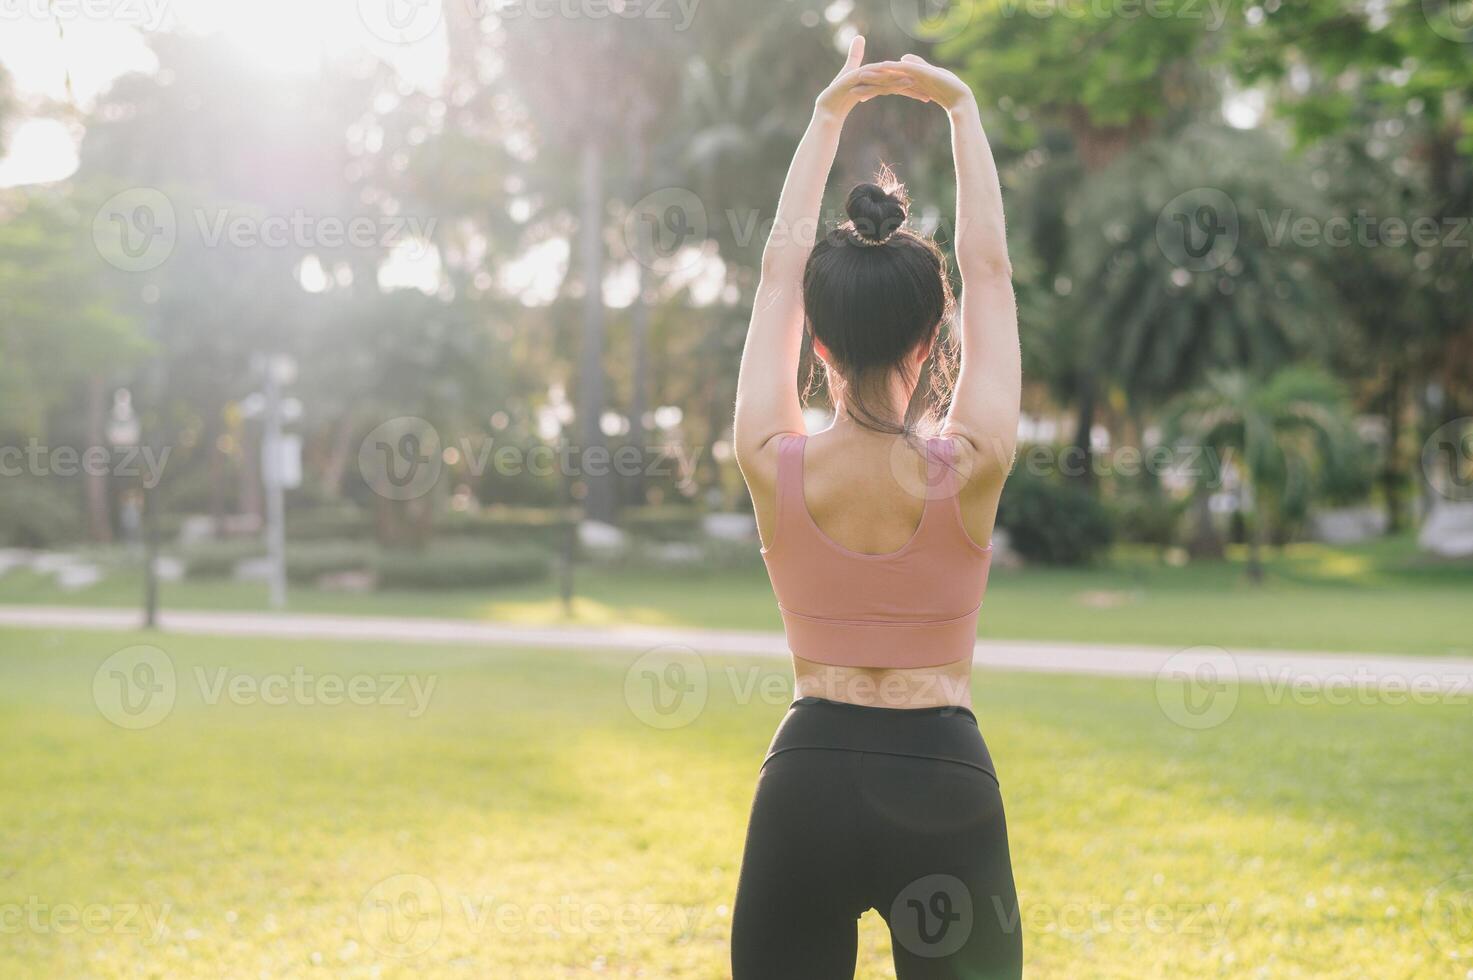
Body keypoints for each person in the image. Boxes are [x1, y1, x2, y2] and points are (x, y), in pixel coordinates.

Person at [729, 36, 1023, 979]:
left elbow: (777, 276)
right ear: (933, 336)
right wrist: (961, 110)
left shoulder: (771, 463)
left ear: (814, 342)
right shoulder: (972, 464)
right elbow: (989, 273)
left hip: (806, 776)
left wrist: (825, 119)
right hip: (942, 773)